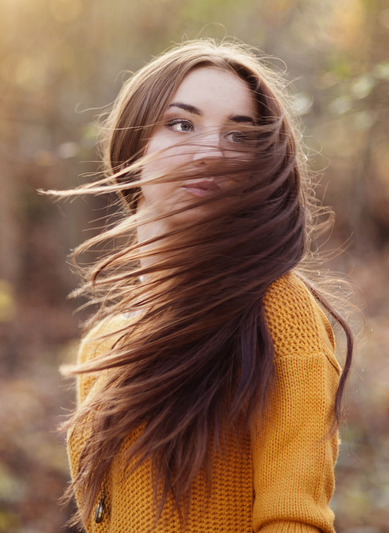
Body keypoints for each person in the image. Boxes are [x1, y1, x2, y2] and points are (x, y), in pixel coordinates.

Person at [54, 39, 354, 532]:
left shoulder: (279, 310)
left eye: (239, 136)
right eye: (181, 124)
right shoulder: (104, 343)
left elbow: (294, 518)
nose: (211, 152)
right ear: (134, 141)